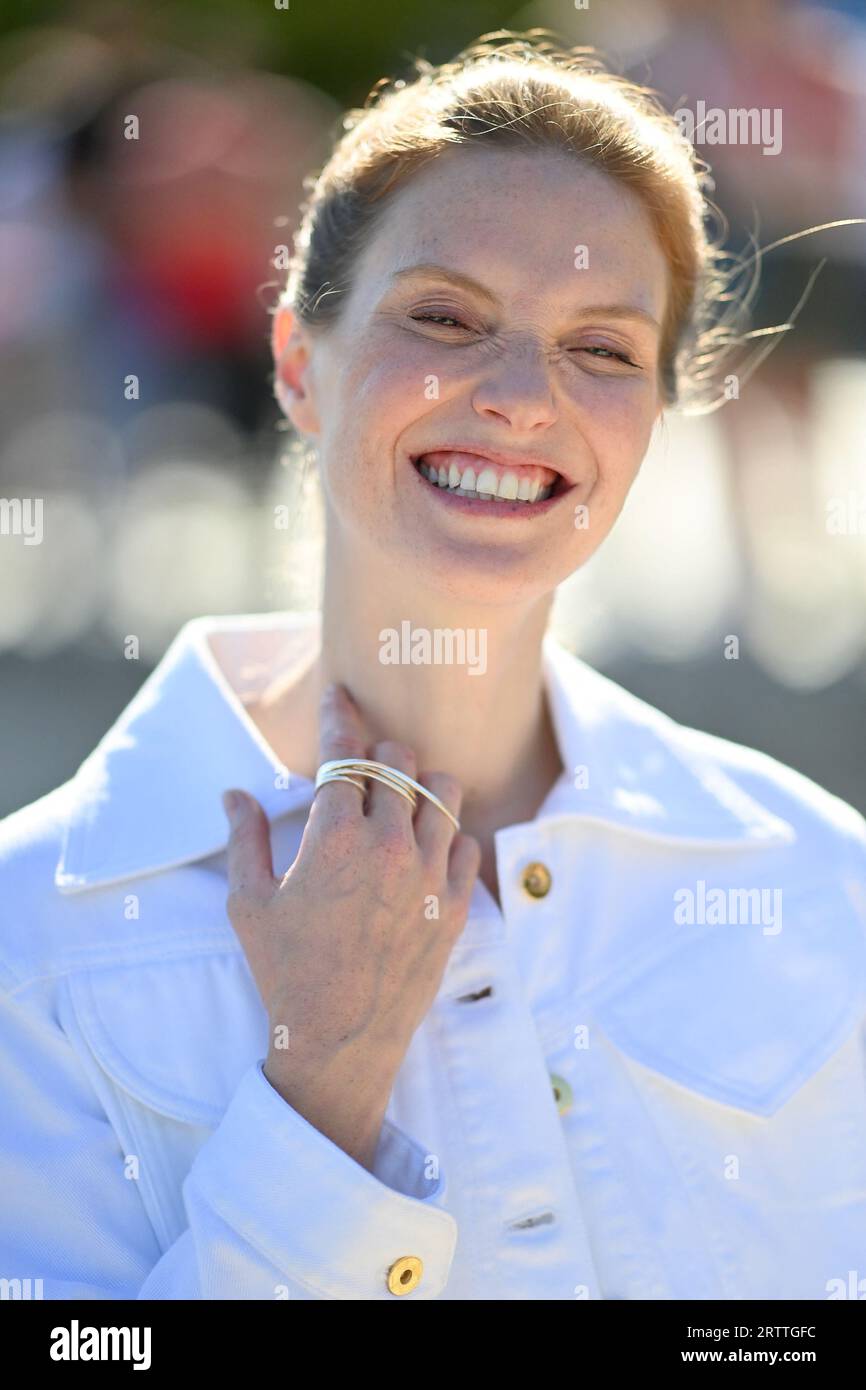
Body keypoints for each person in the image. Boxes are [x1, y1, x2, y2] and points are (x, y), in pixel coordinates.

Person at [1, 30, 865, 1303]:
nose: (522, 396)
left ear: (654, 417)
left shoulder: (818, 881)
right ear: (299, 364)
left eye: (603, 348)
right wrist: (321, 1093)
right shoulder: (34, 936)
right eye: (446, 317)